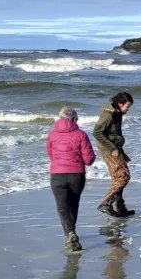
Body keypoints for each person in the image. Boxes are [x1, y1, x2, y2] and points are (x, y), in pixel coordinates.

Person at [46, 106, 96, 251]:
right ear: (74, 119)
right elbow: (88, 160)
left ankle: (69, 233)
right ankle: (71, 233)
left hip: (57, 175)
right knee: (73, 205)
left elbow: (50, 155)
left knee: (62, 207)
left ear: (60, 118)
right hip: (76, 175)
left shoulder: (51, 135)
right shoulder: (81, 134)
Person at [94, 92, 135, 218]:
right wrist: (112, 147)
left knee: (118, 178)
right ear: (120, 104)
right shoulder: (108, 115)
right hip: (109, 150)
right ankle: (106, 203)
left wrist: (119, 147)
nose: (128, 109)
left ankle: (120, 208)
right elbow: (96, 132)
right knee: (123, 177)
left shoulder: (118, 114)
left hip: (116, 148)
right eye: (127, 106)